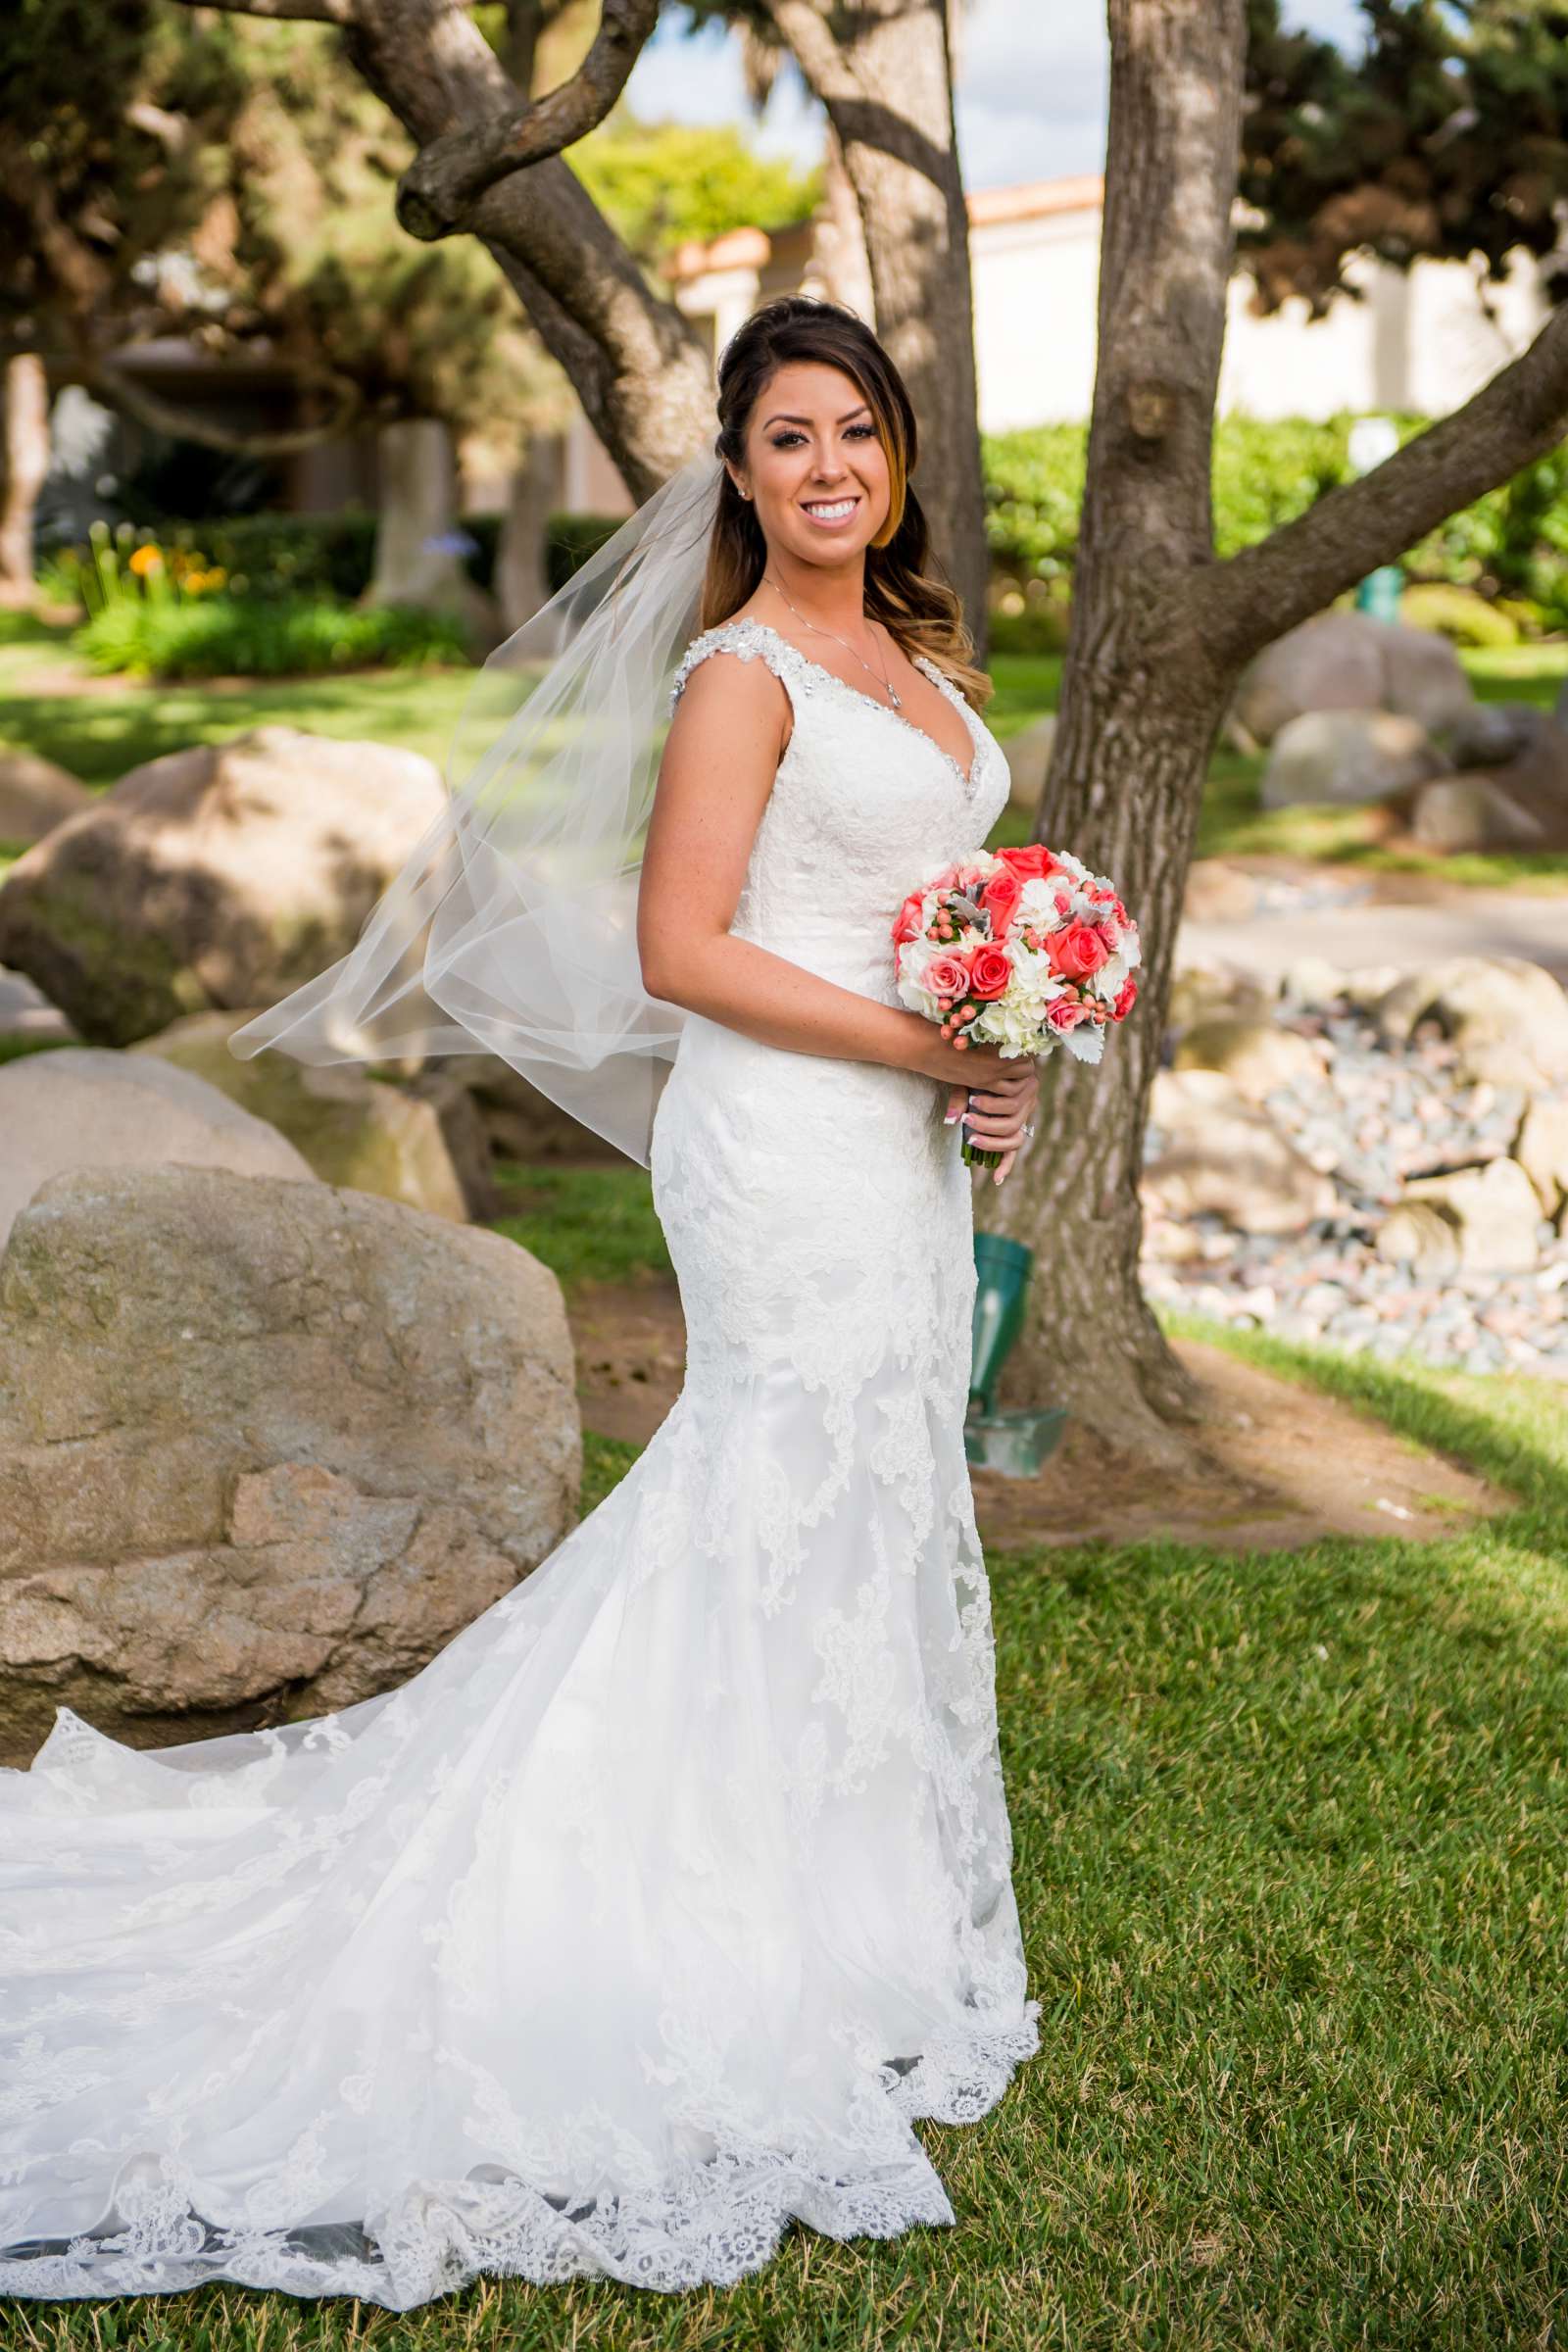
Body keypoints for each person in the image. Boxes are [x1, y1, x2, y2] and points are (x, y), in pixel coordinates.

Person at [0, 296, 1041, 2308]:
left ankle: (850, 1899)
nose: (827, 468)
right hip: (784, 1137)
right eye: (786, 441)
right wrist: (919, 1051)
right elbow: (676, 947)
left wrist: (990, 1025)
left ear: (893, 453)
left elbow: (926, 916)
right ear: (733, 474)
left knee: (876, 1488)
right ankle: (696, 1922)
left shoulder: (915, 658)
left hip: (897, 1140)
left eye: (856, 433)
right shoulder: (739, 675)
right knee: (775, 1476)